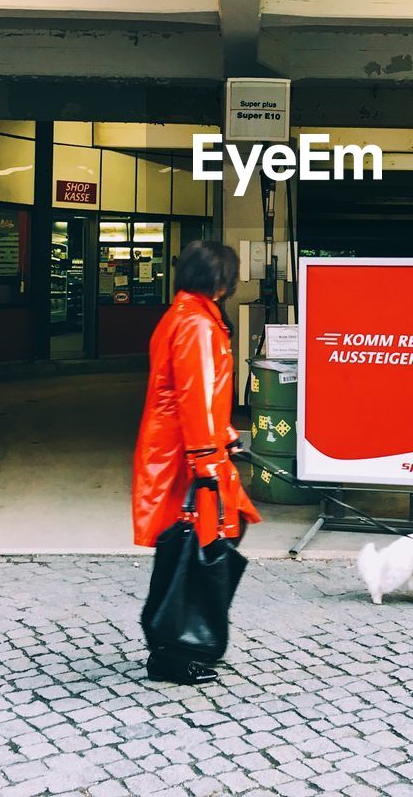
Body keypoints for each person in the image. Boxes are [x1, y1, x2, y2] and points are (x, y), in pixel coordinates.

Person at [132, 239, 259, 685]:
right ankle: (175, 647)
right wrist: (209, 458)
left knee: (194, 547)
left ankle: (177, 640)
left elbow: (197, 394)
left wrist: (221, 439)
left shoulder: (184, 316)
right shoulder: (198, 325)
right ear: (220, 281)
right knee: (199, 547)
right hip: (191, 457)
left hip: (185, 451)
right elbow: (195, 394)